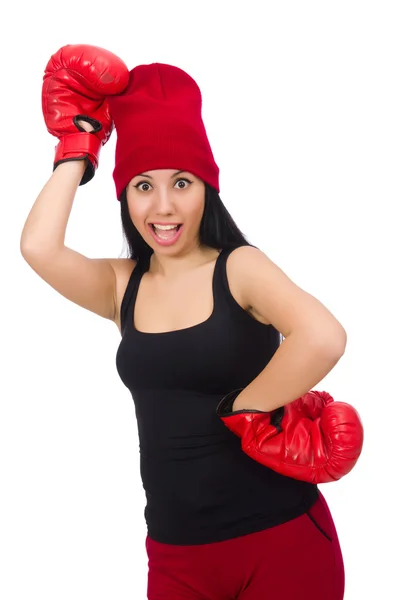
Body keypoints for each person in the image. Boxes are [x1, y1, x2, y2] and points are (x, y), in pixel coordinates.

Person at [20, 44, 362, 600]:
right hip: (177, 553)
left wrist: (244, 408)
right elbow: (38, 247)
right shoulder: (120, 286)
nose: (163, 207)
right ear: (124, 194)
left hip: (280, 540)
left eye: (181, 182)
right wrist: (76, 149)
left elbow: (325, 337)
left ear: (207, 188)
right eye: (142, 185)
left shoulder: (241, 268)